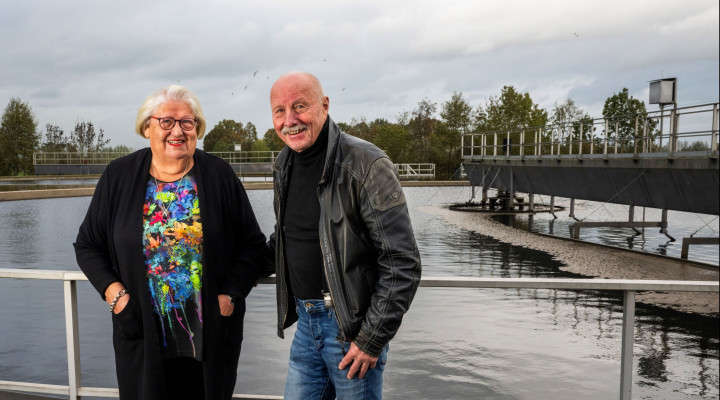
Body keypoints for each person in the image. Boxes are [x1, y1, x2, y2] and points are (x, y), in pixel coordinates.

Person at [74, 85, 266, 400]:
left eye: (187, 122)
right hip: (141, 335)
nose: (177, 130)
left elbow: (253, 246)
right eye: (166, 122)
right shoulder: (119, 177)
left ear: (197, 129)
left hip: (209, 337)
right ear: (147, 127)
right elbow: (88, 245)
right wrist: (116, 296)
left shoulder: (219, 176)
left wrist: (231, 294)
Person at [266, 72, 421, 399]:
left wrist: (371, 340)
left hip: (352, 330)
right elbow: (285, 239)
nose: (290, 120)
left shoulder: (365, 163)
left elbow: (402, 262)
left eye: (299, 106)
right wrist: (227, 276)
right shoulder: (285, 164)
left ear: (324, 105)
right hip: (306, 328)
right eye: (280, 111)